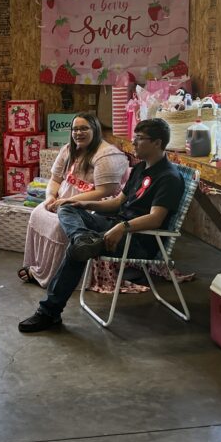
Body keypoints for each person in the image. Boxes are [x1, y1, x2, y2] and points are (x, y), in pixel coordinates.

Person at [18, 118, 185, 333]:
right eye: (134, 138)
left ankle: (48, 313)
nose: (133, 143)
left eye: (139, 139)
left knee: (76, 251)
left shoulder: (169, 177)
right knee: (68, 208)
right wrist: (82, 203)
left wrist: (121, 227)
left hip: (139, 238)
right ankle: (81, 238)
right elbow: (118, 202)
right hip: (115, 224)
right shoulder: (140, 168)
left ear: (157, 143)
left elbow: (156, 219)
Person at [17, 112, 128, 287]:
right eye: (75, 129)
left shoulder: (106, 155)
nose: (78, 133)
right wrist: (50, 197)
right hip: (64, 200)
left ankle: (56, 276)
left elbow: (104, 191)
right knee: (37, 213)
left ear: (95, 130)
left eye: (84, 128)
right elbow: (54, 179)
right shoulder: (69, 149)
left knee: (58, 227)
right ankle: (39, 267)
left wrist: (70, 201)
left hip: (93, 204)